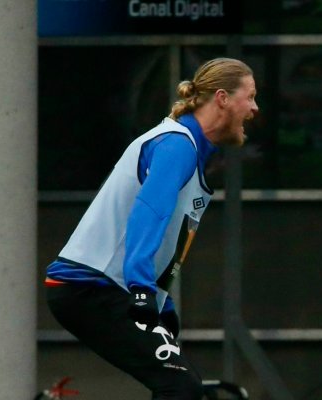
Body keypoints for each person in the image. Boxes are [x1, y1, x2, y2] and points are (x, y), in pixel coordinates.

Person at [44, 58, 258, 399]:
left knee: (182, 387)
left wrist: (162, 304)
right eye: (250, 96)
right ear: (222, 98)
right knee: (179, 387)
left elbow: (168, 243)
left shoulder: (185, 147)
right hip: (91, 286)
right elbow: (149, 213)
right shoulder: (177, 145)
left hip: (101, 289)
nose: (255, 108)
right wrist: (142, 288)